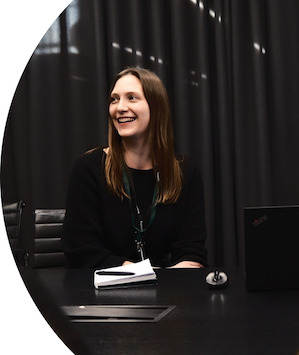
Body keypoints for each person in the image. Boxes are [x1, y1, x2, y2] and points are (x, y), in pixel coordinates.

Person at [62, 67, 208, 268]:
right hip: (102, 293)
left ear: (156, 107)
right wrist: (145, 275)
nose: (119, 107)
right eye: (114, 99)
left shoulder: (185, 172)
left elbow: (192, 252)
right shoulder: (88, 169)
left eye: (132, 98)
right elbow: (83, 252)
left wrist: (166, 281)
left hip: (167, 292)